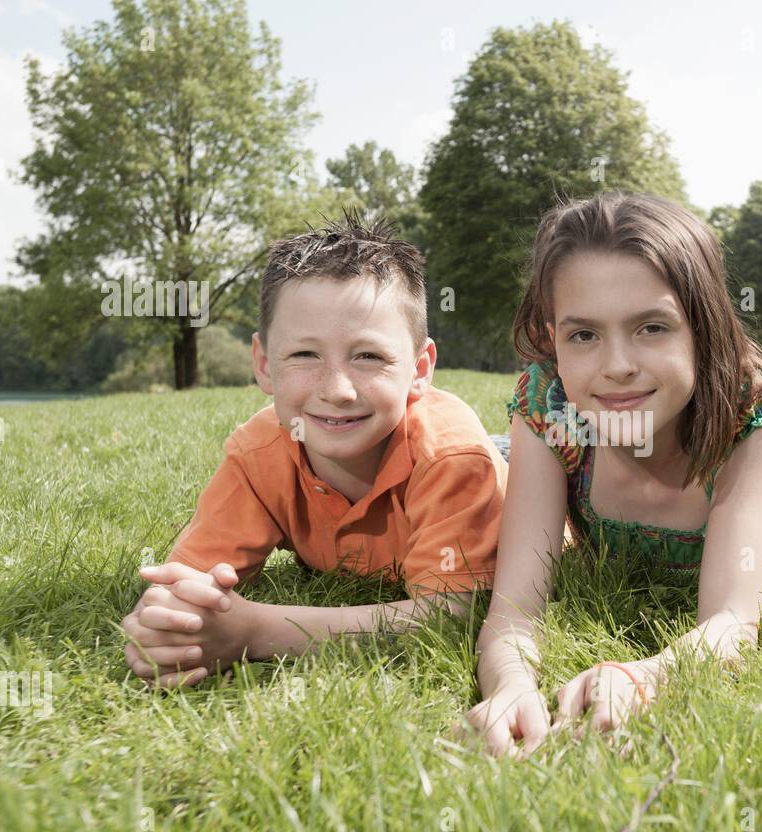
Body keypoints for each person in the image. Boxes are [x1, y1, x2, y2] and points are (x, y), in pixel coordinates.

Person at [463, 192, 762, 756]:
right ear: (553, 335)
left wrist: (651, 673)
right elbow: (515, 609)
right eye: (583, 334)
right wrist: (510, 684)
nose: (617, 366)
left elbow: (733, 619)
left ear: (701, 328)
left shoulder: (746, 401)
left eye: (652, 328)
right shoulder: (549, 403)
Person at [121, 212, 508, 688]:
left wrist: (254, 631)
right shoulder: (259, 453)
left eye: (368, 356)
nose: (338, 390)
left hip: (499, 464)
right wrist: (171, 622)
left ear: (420, 367)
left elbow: (449, 616)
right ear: (264, 364)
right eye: (305, 355)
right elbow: (187, 582)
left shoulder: (451, 458)